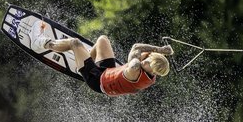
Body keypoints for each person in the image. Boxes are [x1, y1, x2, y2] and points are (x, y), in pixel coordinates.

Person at [31, 21, 172, 96]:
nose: (145, 61)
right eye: (149, 59)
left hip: (97, 81)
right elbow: (144, 56)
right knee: (102, 40)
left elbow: (136, 48)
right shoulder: (150, 71)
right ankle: (82, 64)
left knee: (75, 43)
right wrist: (158, 52)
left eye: (148, 62)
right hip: (108, 71)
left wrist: (159, 49)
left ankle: (41, 42)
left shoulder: (135, 68)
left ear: (153, 70)